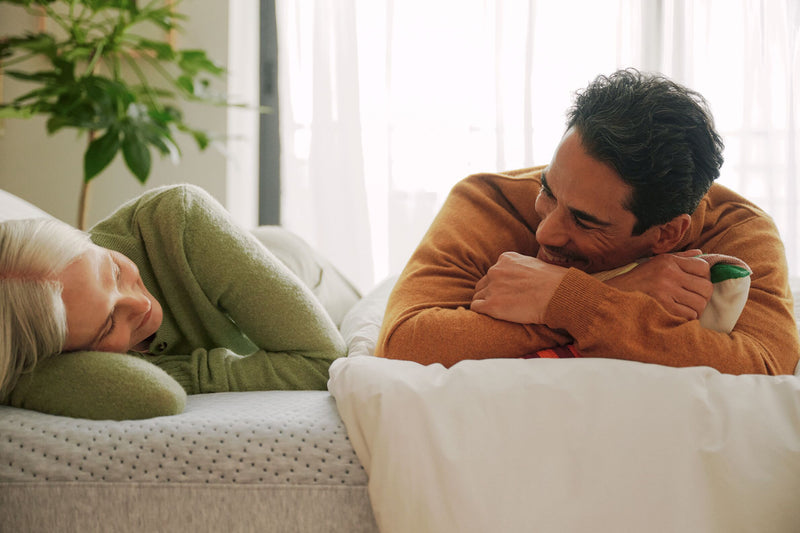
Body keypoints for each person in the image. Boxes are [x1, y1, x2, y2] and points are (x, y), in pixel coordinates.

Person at [376, 69, 800, 375]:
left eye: (584, 221)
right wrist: (612, 291)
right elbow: (403, 342)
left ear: (667, 234)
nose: (547, 232)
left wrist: (566, 301)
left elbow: (765, 365)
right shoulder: (488, 200)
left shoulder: (740, 231)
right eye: (548, 190)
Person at [0, 184, 352, 419]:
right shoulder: (46, 344)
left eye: (114, 269)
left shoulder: (178, 218)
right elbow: (159, 396)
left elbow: (322, 361)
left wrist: (181, 371)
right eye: (108, 324)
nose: (140, 305)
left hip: (309, 274)